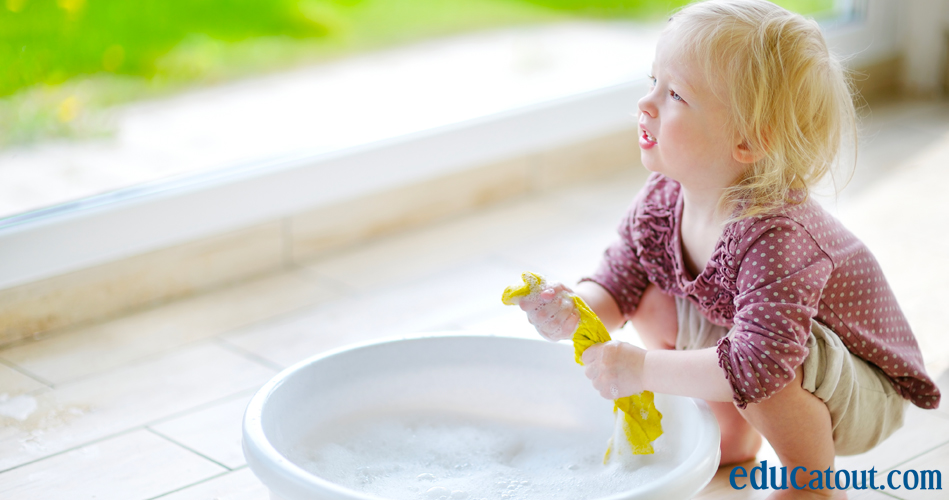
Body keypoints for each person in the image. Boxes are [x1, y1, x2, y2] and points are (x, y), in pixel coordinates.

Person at [516, 1, 940, 498]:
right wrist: (576, 309)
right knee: (652, 292)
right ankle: (731, 435)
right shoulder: (664, 199)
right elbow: (620, 277)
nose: (646, 104)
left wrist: (640, 369)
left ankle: (813, 484)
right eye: (652, 81)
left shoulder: (777, 236)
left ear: (748, 140)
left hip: (862, 393)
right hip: (769, 357)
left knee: (769, 363)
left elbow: (761, 363)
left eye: (674, 94)